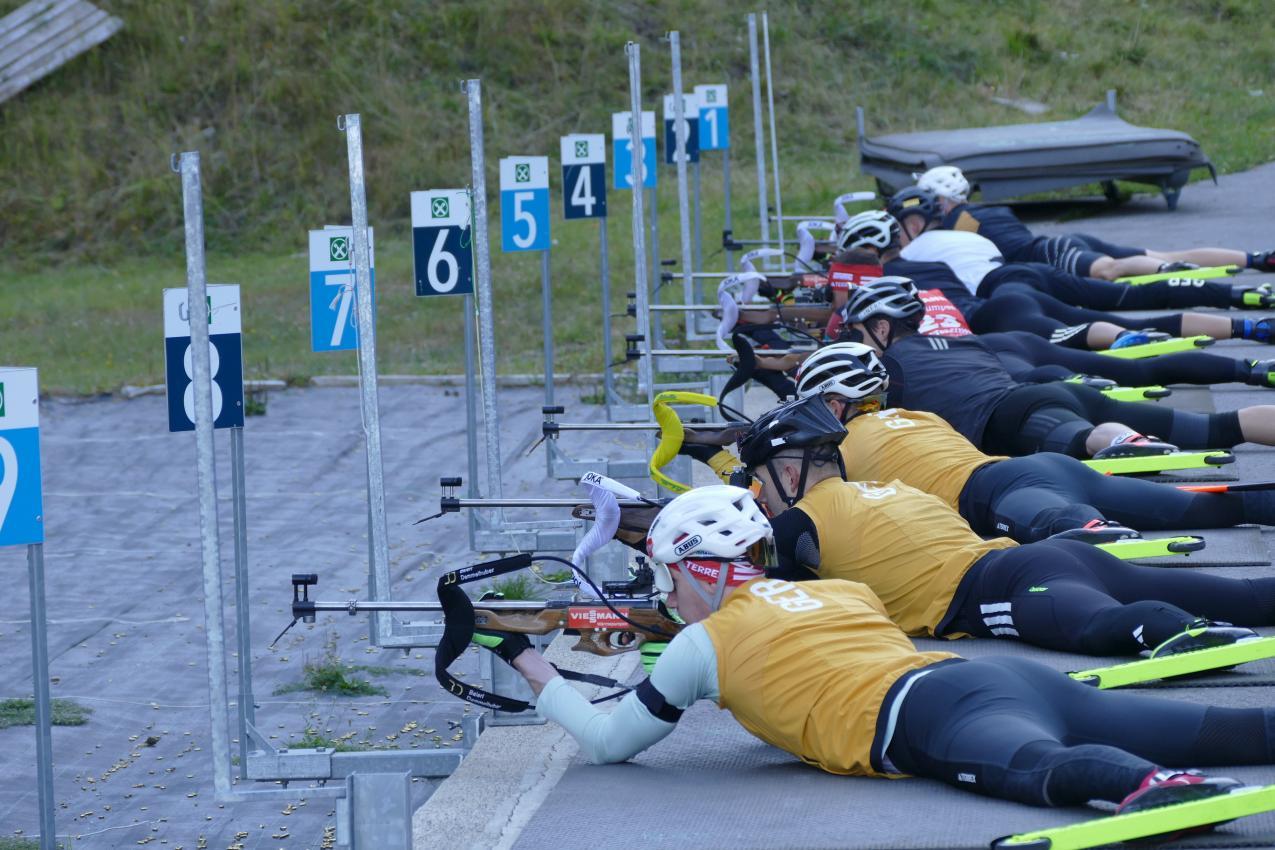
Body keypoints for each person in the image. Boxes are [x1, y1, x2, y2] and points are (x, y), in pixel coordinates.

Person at [482, 485, 1267, 831]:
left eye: (668, 579)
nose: (667, 595)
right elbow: (786, 646)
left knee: (1034, 767)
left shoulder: (699, 645)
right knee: (1218, 728)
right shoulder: (843, 590)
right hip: (989, 678)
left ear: (700, 569)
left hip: (921, 717)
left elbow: (607, 741)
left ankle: (1151, 788)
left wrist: (518, 653)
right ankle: (1176, 765)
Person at [733, 395, 1275, 658]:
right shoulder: (895, 488)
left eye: (760, 482)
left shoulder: (798, 525)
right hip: (1042, 557)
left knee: (1101, 627)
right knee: (1242, 595)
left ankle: (1185, 632)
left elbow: (751, 592)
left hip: (996, 591)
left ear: (788, 473)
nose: (760, 496)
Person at [789, 341, 1275, 541]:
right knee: (1210, 471)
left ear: (833, 404)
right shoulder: (920, 410)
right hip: (1037, 447)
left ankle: (1089, 517)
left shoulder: (843, 447)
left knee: (1065, 520)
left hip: (1004, 475)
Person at [840, 277, 1275, 458]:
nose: (853, 341)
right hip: (1051, 396)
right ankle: (1252, 371)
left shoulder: (884, 368)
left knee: (1088, 440)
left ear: (881, 327)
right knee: (1216, 428)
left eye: (856, 331)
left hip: (1014, 419)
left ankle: (1124, 440)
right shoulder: (963, 341)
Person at [835, 209, 1275, 356]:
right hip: (1025, 277)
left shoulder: (894, 277)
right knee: (1127, 293)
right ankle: (1243, 302)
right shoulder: (942, 244)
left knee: (1092, 326)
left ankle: (1126, 339)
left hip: (1001, 304)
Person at [916, 164, 1275, 280]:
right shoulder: (988, 210)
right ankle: (1256, 259)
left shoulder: (958, 220)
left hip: (1050, 254)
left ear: (941, 200)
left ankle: (1171, 273)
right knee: (1165, 250)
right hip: (1062, 242)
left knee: (1109, 269)